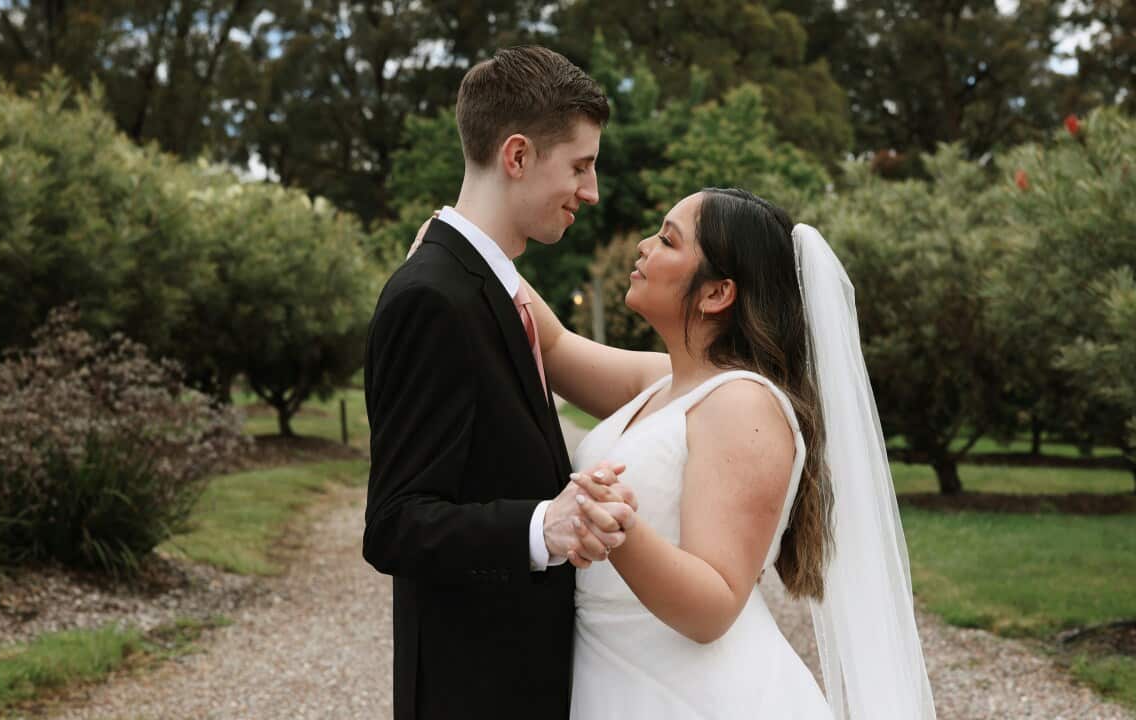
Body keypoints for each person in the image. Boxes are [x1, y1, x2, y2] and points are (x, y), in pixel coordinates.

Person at [524, 188, 939, 718]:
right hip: (616, 678)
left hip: (698, 697)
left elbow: (713, 607)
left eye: (668, 240)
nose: (644, 246)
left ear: (717, 293)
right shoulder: (667, 382)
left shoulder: (744, 405)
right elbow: (553, 347)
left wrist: (618, 529)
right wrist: (465, 233)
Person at [361, 46, 638, 720]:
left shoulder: (492, 287)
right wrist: (548, 524)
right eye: (579, 166)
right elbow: (395, 525)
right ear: (516, 157)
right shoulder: (433, 297)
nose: (592, 191)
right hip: (473, 692)